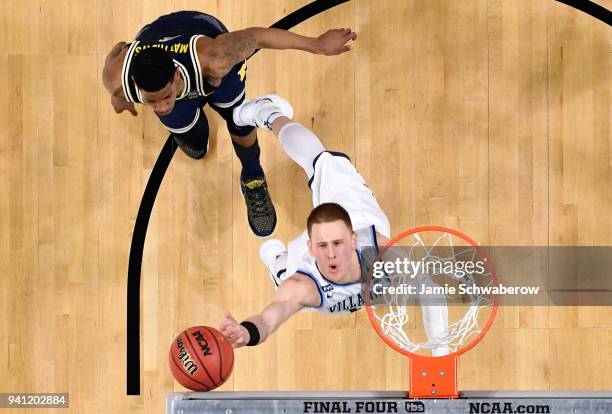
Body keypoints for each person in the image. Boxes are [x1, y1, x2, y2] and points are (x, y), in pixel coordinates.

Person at [102, 11, 357, 237]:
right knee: (194, 143)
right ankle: (193, 131)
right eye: (151, 101)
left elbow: (257, 37)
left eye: (165, 97)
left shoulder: (215, 58)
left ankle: (253, 176)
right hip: (156, 37)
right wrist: (121, 101)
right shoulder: (118, 80)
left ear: (177, 76)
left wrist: (316, 44)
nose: (161, 107)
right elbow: (116, 57)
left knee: (240, 122)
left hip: (203, 43)